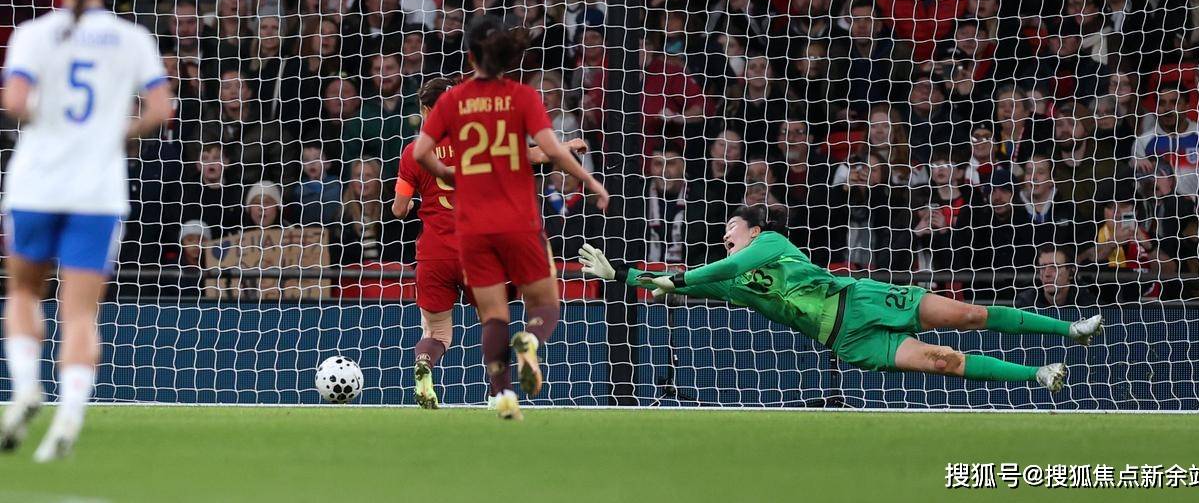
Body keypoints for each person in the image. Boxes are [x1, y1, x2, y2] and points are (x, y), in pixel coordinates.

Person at [579, 205, 1102, 391]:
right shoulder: (732, 285)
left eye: (732, 227)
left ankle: (1069, 330)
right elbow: (676, 280)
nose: (726, 235)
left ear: (754, 231)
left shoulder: (770, 245)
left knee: (966, 314)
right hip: (847, 340)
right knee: (942, 361)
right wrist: (622, 273)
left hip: (863, 299)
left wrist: (676, 280)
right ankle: (1038, 375)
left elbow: (718, 268)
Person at [0, 0, 174, 461]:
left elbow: (14, 101)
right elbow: (161, 108)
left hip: (36, 182)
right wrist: (117, 131)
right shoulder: (132, 38)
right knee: (80, 313)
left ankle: (25, 386)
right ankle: (68, 417)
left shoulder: (34, 34)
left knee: (24, 293)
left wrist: (53, 120)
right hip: (97, 189)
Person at [412, 28, 608, 420]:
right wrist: (590, 181)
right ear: (509, 60)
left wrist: (451, 175)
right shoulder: (522, 97)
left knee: (493, 316)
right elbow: (547, 152)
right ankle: (530, 340)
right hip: (517, 220)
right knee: (544, 304)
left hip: (473, 227)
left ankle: (501, 396)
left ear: (471, 58)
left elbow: (420, 152)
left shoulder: (453, 102)